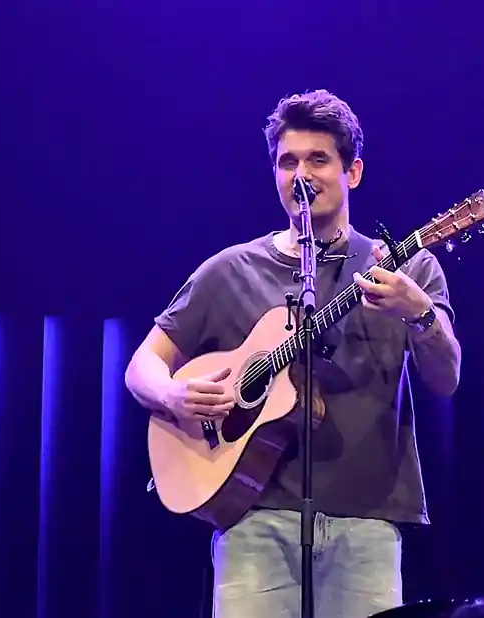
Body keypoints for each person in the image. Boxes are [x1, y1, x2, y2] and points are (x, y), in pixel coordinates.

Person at [124, 89, 462, 618]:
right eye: (288, 162)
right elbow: (142, 365)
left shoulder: (407, 270)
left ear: (353, 173)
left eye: (318, 159)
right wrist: (174, 394)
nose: (300, 174)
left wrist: (418, 313)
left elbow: (447, 378)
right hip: (253, 515)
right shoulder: (230, 270)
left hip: (367, 519)